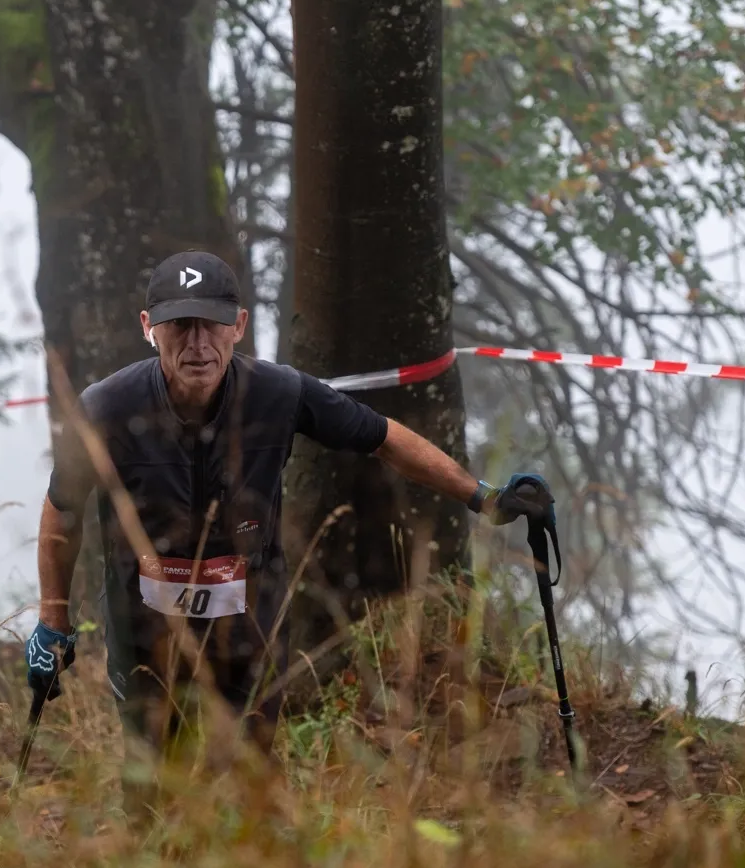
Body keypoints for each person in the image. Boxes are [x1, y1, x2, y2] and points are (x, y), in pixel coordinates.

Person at [27, 250, 521, 770]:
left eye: (212, 324)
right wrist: (52, 621)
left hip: (248, 634)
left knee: (247, 783)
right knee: (153, 787)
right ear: (149, 327)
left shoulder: (278, 393)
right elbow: (62, 511)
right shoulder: (107, 407)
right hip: (144, 636)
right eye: (180, 325)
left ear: (239, 326)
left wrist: (481, 496)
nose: (197, 343)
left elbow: (383, 437)